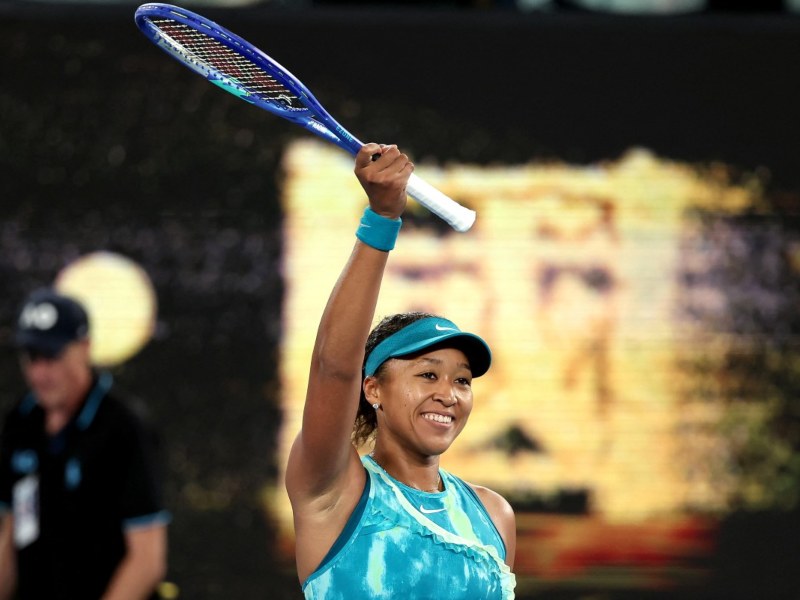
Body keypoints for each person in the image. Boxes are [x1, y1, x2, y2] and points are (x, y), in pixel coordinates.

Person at [285, 143, 517, 598]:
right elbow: (333, 368)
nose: (449, 394)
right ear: (373, 388)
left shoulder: (494, 516)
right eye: (428, 375)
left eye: (462, 381)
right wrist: (382, 219)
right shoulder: (336, 492)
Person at [0, 288, 170, 600]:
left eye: (52, 357)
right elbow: (10, 536)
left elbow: (147, 561)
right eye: (31, 358)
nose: (40, 373)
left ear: (85, 348)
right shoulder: (18, 423)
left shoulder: (125, 429)